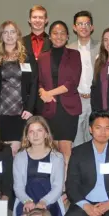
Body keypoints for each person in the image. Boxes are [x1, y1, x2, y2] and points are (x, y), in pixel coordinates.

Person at [0, 20, 38, 153]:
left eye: (12, 32)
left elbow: (34, 84)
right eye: (5, 32)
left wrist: (30, 108)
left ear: (18, 35)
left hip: (21, 112)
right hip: (0, 112)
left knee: (16, 151)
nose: (9, 35)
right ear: (1, 36)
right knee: (1, 151)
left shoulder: (27, 58)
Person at [37, 20, 82, 170]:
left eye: (63, 33)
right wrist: (42, 92)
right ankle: (54, 185)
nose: (59, 36)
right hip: (49, 108)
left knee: (65, 148)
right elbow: (38, 81)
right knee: (51, 148)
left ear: (68, 36)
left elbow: (72, 83)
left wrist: (49, 93)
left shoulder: (74, 55)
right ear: (49, 36)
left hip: (68, 109)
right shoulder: (43, 57)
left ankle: (65, 187)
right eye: (55, 33)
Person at [13, 116, 66, 216]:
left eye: (39, 131)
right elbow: (18, 186)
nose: (35, 135)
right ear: (26, 136)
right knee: (25, 215)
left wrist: (44, 202)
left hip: (50, 200)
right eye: (31, 131)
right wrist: (27, 201)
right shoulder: (20, 157)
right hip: (25, 199)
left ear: (46, 134)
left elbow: (58, 187)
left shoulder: (57, 157)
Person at [69, 11, 100, 148]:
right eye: (80, 24)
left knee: (95, 137)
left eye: (87, 24)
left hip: (95, 98)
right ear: (74, 27)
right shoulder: (68, 49)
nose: (84, 27)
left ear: (92, 27)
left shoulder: (101, 47)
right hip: (77, 99)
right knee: (76, 139)